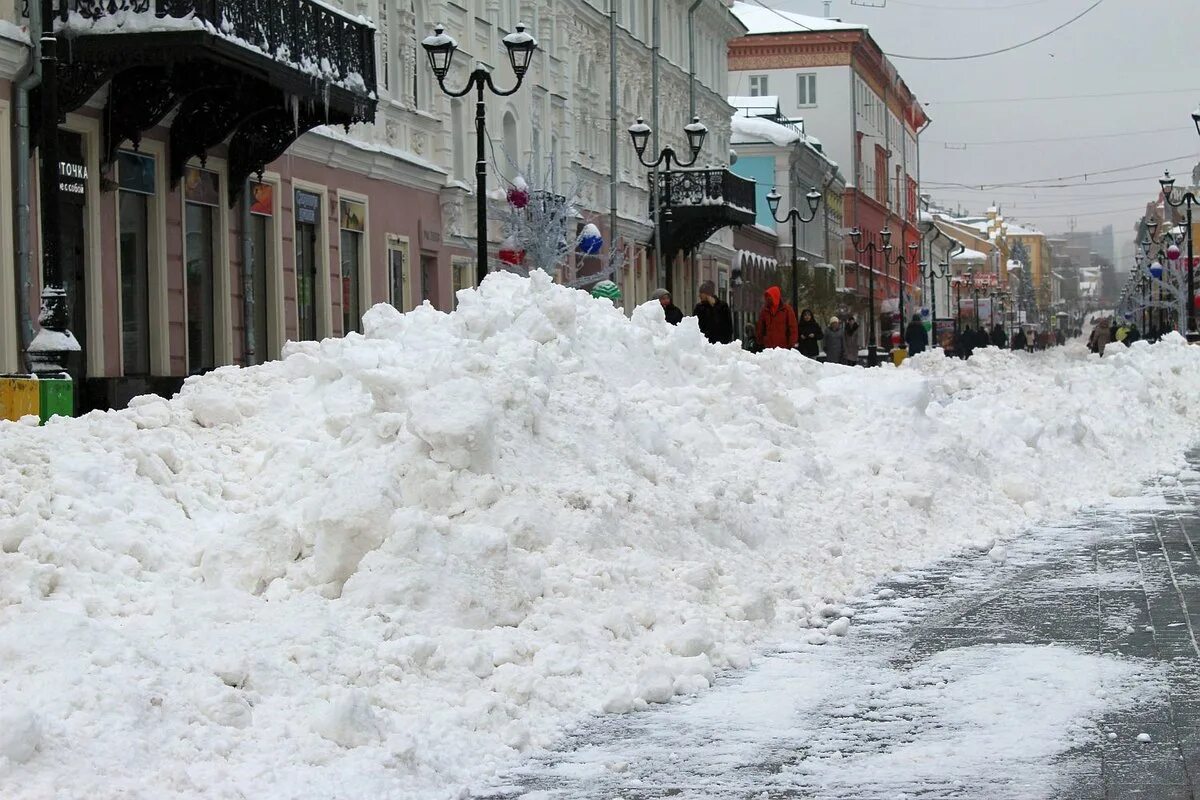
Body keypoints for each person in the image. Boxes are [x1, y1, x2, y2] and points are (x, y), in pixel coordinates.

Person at [755, 286, 798, 350]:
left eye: (769, 296)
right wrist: (760, 341)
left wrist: (791, 343)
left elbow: (792, 327)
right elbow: (760, 327)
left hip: (783, 347)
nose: (767, 298)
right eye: (767, 296)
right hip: (768, 346)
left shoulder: (787, 310)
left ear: (775, 296)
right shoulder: (765, 311)